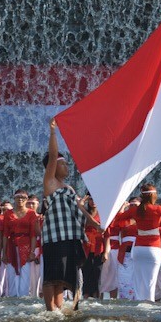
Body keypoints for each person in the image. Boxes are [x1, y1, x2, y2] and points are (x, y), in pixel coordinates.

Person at [42, 119, 89, 311]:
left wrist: (94, 223)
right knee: (51, 275)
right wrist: (53, 131)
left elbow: (80, 210)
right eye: (64, 164)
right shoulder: (50, 182)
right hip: (54, 237)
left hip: (69, 236)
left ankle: (59, 308)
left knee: (62, 276)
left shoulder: (69, 188)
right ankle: (49, 310)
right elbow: (53, 156)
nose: (67, 166)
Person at [113, 184, 161, 301]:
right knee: (151, 281)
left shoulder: (135, 210)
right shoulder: (158, 209)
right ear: (153, 195)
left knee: (138, 280)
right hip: (153, 249)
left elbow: (118, 218)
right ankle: (149, 306)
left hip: (138, 249)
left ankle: (138, 304)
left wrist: (123, 208)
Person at [2, 189, 38, 297]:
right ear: (14, 199)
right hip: (11, 245)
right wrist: (4, 253)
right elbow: (5, 234)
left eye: (23, 197)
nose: (20, 199)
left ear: (26, 199)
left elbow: (33, 235)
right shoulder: (8, 213)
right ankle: (12, 297)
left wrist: (32, 251)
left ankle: (24, 297)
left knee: (25, 273)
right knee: (11, 273)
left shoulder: (31, 213)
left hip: (26, 246)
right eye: (18, 197)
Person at [80, 195, 104, 299]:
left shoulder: (103, 214)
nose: (93, 201)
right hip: (86, 245)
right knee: (86, 272)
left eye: (96, 198)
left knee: (97, 273)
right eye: (91, 199)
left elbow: (105, 232)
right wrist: (82, 204)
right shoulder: (83, 214)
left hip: (99, 246)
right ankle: (85, 295)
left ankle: (96, 296)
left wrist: (106, 251)